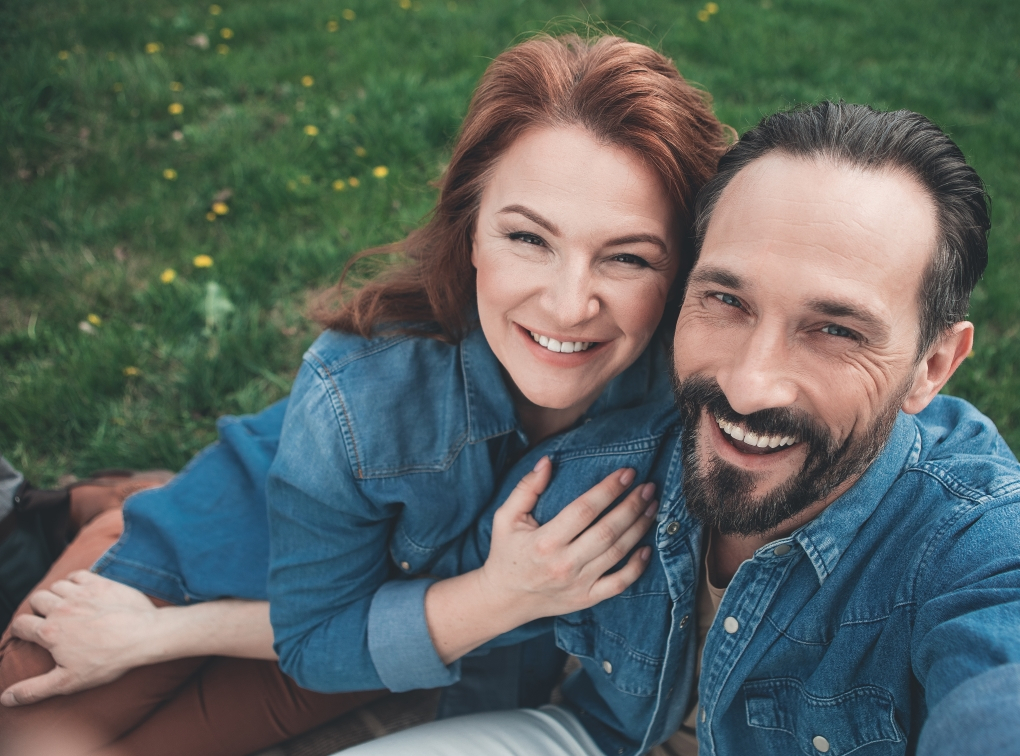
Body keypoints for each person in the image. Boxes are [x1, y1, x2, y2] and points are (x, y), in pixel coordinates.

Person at [326, 102, 1020, 756]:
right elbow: (458, 645)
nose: (746, 384)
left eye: (836, 330)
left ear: (933, 366)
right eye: (727, 300)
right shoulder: (596, 469)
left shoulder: (983, 545)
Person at [0, 34, 729, 756]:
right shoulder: (359, 390)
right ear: (470, 231)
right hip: (230, 545)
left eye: (627, 257)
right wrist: (158, 631)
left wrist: (503, 599)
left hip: (368, 629)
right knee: (28, 741)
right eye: (529, 239)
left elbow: (340, 643)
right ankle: (114, 507)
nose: (570, 306)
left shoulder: (690, 408)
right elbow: (319, 632)